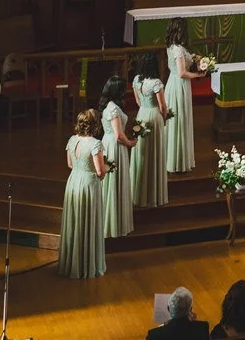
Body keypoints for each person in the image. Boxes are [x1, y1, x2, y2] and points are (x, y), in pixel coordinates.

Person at [58, 109, 108, 279]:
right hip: (88, 184)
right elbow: (100, 172)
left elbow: (70, 164)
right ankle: (86, 265)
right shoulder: (95, 144)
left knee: (75, 221)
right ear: (95, 125)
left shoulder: (72, 140)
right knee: (87, 222)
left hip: (73, 182)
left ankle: (71, 263)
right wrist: (108, 168)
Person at [131, 51, 170, 208]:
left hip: (142, 114)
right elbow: (162, 106)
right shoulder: (156, 83)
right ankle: (153, 192)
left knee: (143, 150)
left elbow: (137, 101)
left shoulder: (136, 80)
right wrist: (165, 117)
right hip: (154, 115)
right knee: (154, 151)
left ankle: (138, 190)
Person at [99, 75, 136, 237]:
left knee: (114, 181)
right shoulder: (113, 109)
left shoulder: (110, 106)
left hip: (110, 143)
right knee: (114, 181)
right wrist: (130, 143)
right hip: (115, 146)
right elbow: (118, 135)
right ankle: (112, 222)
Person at [164, 17, 198, 173]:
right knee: (180, 120)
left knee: (176, 121)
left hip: (173, 82)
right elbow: (182, 72)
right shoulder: (178, 49)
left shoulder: (172, 46)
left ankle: (175, 158)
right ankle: (177, 162)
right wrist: (199, 75)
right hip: (179, 85)